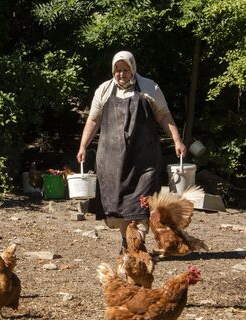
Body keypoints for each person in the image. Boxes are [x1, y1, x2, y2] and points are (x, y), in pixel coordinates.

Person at [76, 51, 186, 251]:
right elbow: (93, 120)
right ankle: (127, 240)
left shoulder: (149, 88)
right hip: (111, 160)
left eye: (125, 69)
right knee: (116, 207)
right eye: (117, 70)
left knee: (142, 203)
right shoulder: (104, 90)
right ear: (113, 71)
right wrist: (83, 146)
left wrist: (177, 141)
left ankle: (137, 242)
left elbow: (164, 117)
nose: (121, 74)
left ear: (133, 68)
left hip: (143, 160)